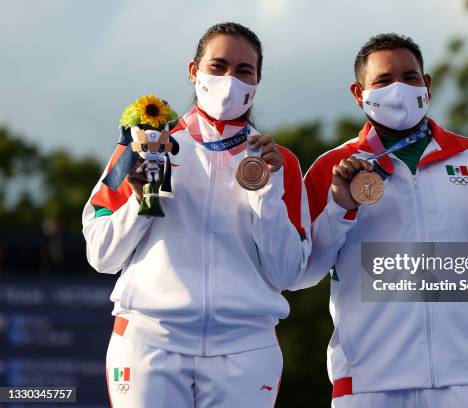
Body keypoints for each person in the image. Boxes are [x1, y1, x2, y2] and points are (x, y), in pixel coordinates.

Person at [292, 33, 468, 407]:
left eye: (410, 77)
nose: (399, 89)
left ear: (427, 84)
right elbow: (302, 274)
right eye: (384, 81)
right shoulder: (330, 169)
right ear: (359, 93)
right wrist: (341, 206)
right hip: (370, 382)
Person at [82, 22, 311, 408]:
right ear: (194, 70)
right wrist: (141, 203)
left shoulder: (278, 162)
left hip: (246, 349)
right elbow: (101, 255)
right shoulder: (145, 145)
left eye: (243, 70)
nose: (229, 80)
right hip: (149, 343)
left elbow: (288, 273)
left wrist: (267, 194)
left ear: (257, 81)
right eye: (218, 66)